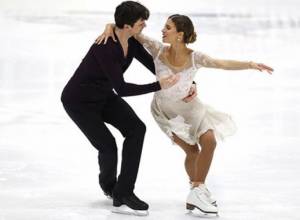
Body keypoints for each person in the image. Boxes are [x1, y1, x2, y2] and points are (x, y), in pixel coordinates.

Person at [96, 13, 273, 215]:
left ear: (180, 35)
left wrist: (250, 64)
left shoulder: (195, 57)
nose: (162, 30)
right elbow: (127, 30)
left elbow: (221, 63)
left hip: (191, 108)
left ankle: (197, 190)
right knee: (192, 151)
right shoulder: (157, 49)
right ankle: (196, 191)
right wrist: (109, 26)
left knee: (209, 141)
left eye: (168, 27)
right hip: (166, 112)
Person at [61, 1, 197, 216]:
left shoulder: (131, 41)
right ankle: (110, 188)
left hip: (104, 96)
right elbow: (122, 89)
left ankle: (123, 192)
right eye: (141, 21)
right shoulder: (105, 47)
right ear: (127, 26)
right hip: (79, 101)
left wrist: (187, 84)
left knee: (136, 129)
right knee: (108, 146)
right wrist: (158, 85)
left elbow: (156, 67)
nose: (144, 24)